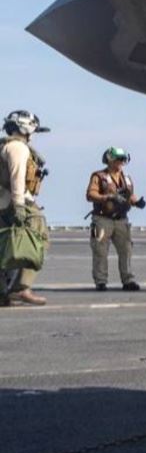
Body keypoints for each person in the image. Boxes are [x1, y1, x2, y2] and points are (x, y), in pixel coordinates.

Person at [1, 110, 51, 307]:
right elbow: (17, 177)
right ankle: (21, 288)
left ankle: (2, 293)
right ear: (26, 128)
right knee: (39, 239)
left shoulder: (5, 146)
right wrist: (20, 206)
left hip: (3, 204)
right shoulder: (18, 148)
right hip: (16, 203)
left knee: (4, 246)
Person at [86, 147, 144, 291]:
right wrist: (108, 197)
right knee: (100, 251)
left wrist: (137, 202)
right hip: (102, 219)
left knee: (126, 250)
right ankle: (101, 281)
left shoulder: (127, 179)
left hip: (121, 220)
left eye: (123, 159)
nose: (121, 162)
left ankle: (128, 279)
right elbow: (90, 195)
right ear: (110, 160)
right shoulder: (99, 176)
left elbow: (130, 196)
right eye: (118, 159)